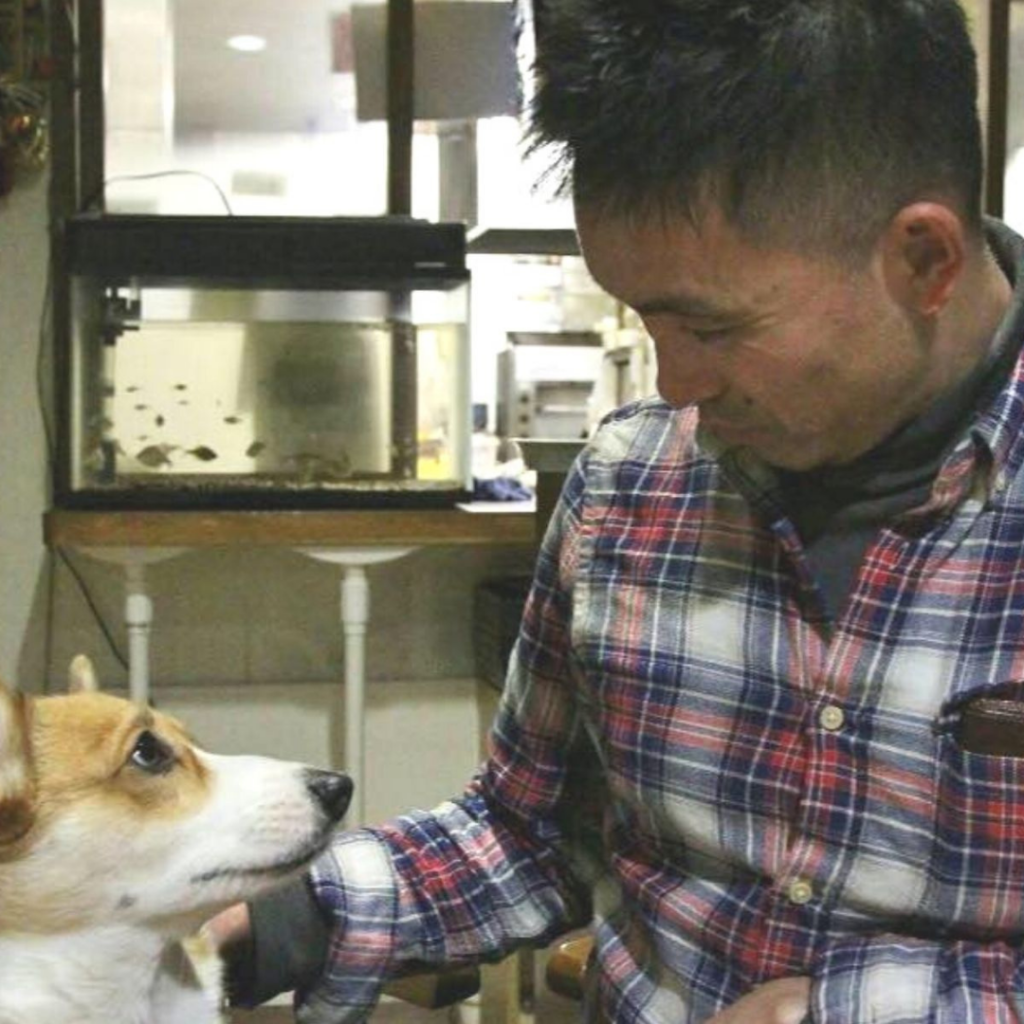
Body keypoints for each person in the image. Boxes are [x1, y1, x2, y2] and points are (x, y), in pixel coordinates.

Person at [210, 1, 1024, 1020]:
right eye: (644, 318)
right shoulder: (631, 483)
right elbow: (527, 832)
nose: (675, 384)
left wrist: (863, 1007)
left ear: (923, 260)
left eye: (711, 327)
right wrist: (270, 924)